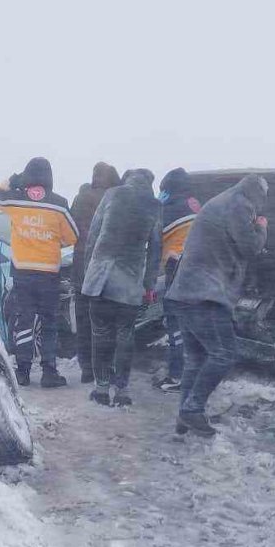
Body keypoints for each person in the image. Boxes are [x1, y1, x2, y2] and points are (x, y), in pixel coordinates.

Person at [165, 173, 269, 437]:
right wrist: (261, 227)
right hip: (205, 293)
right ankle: (192, 409)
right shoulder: (240, 203)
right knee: (224, 353)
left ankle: (185, 414)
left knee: (196, 358)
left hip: (185, 291)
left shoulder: (221, 200)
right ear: (257, 193)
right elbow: (249, 246)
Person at [0, 157, 77, 388]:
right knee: (49, 322)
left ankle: (23, 372)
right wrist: (51, 240)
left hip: (22, 273)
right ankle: (49, 372)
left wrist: (13, 179)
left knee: (24, 322)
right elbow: (72, 236)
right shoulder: (59, 204)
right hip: (49, 273)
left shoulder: (16, 200)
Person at [81, 168, 162, 407]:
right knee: (125, 336)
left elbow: (93, 237)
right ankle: (122, 391)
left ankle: (101, 389)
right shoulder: (154, 206)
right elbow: (155, 251)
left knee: (100, 335)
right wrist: (148, 284)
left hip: (101, 280)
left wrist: (89, 273)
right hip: (129, 283)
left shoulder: (112, 194)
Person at [70, 162, 121, 383]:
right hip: (106, 270)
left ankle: (86, 369)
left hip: (82, 269)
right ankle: (105, 367)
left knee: (83, 321)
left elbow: (71, 230)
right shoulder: (116, 198)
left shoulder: (81, 198)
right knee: (106, 322)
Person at [154, 168, 202, 392]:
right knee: (192, 326)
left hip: (177, 271)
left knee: (175, 326)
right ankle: (194, 373)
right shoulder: (197, 205)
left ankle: (177, 376)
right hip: (199, 272)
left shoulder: (169, 209)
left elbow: (153, 240)